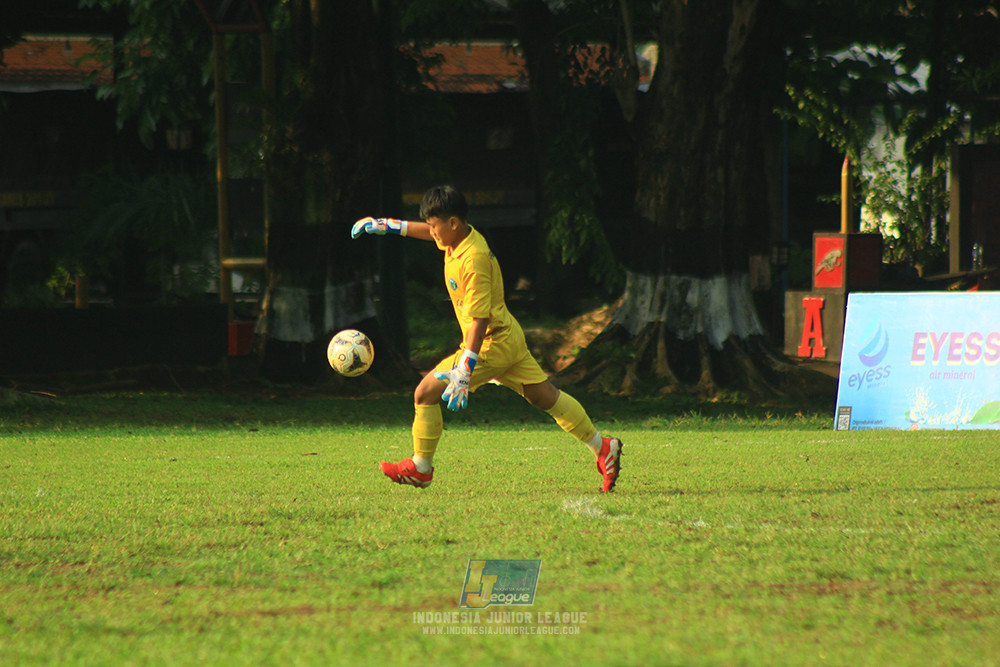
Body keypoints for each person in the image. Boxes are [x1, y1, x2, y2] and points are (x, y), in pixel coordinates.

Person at [351, 185, 622, 492]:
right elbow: (429, 234)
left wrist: (465, 369)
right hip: (509, 336)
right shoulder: (456, 238)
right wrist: (386, 225)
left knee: (424, 393)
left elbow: (479, 321)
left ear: (452, 223)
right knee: (544, 396)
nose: (431, 231)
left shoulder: (474, 258)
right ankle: (603, 447)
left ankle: (421, 468)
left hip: (491, 342)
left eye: (434, 224)